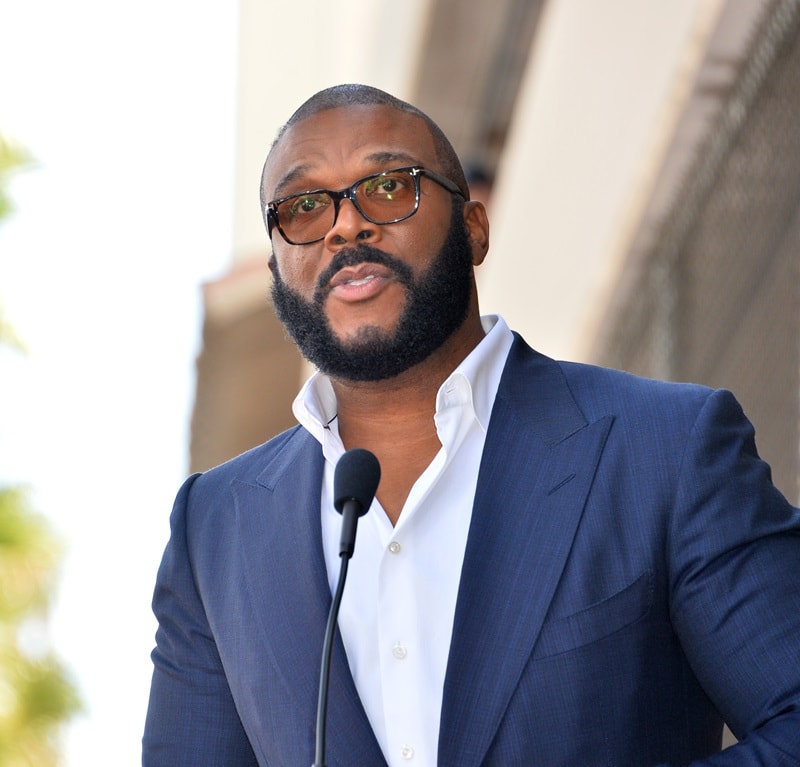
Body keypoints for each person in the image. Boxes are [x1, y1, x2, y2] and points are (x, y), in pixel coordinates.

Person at [142, 84, 800, 766]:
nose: (345, 226)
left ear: (473, 229)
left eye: (389, 185)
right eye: (304, 207)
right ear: (279, 263)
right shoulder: (213, 530)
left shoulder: (666, 447)